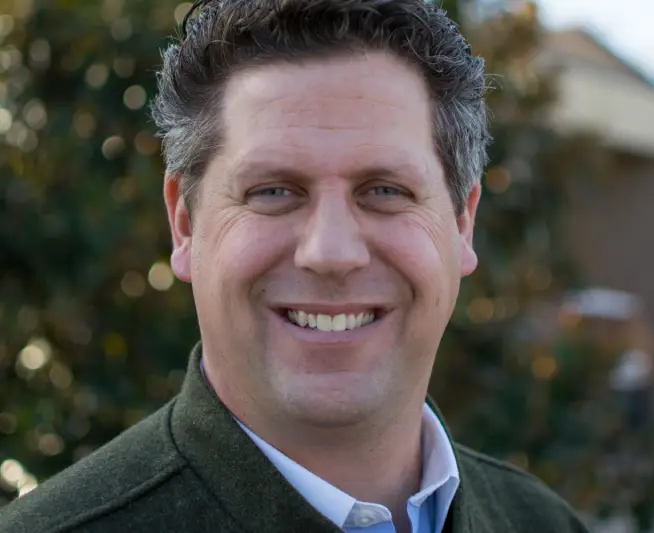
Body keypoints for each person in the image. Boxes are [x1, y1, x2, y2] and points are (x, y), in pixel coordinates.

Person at [0, 1, 588, 532]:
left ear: (462, 222)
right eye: (274, 191)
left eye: (384, 190)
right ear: (184, 223)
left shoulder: (542, 522)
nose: (330, 253)